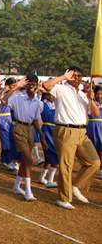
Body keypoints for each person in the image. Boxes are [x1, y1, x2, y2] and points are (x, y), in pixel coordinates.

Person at [43, 68, 101, 209]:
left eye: (79, 76)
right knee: (66, 165)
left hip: (82, 132)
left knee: (94, 162)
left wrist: (90, 98)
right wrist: (63, 76)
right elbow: (46, 85)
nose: (76, 78)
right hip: (65, 130)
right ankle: (63, 198)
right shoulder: (61, 88)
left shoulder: (82, 94)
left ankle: (76, 186)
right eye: (73, 76)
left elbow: (95, 112)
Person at [3, 75, 44, 201]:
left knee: (25, 161)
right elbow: (4, 101)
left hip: (30, 130)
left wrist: (42, 137)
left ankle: (16, 186)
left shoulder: (38, 102)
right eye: (29, 83)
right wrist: (16, 87)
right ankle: (28, 191)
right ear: (25, 85)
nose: (31, 86)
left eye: (34, 84)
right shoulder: (17, 97)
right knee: (28, 159)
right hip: (19, 128)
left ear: (37, 85)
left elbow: (36, 120)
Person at [0, 78, 17, 170]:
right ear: (7, 85)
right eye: (12, 85)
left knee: (11, 139)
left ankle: (6, 159)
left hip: (10, 118)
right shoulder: (1, 93)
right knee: (5, 139)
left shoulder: (14, 94)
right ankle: (6, 160)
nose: (13, 87)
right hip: (2, 118)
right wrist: (2, 91)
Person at [39, 92, 59, 188]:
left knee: (54, 155)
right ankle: (49, 180)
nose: (52, 97)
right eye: (50, 95)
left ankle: (43, 177)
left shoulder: (57, 104)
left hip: (56, 132)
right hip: (46, 131)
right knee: (50, 154)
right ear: (46, 95)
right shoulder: (42, 104)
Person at [87, 85, 102, 180]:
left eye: (101, 94)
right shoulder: (91, 103)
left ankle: (101, 170)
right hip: (93, 127)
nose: (100, 96)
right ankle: (93, 169)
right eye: (98, 94)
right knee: (94, 150)